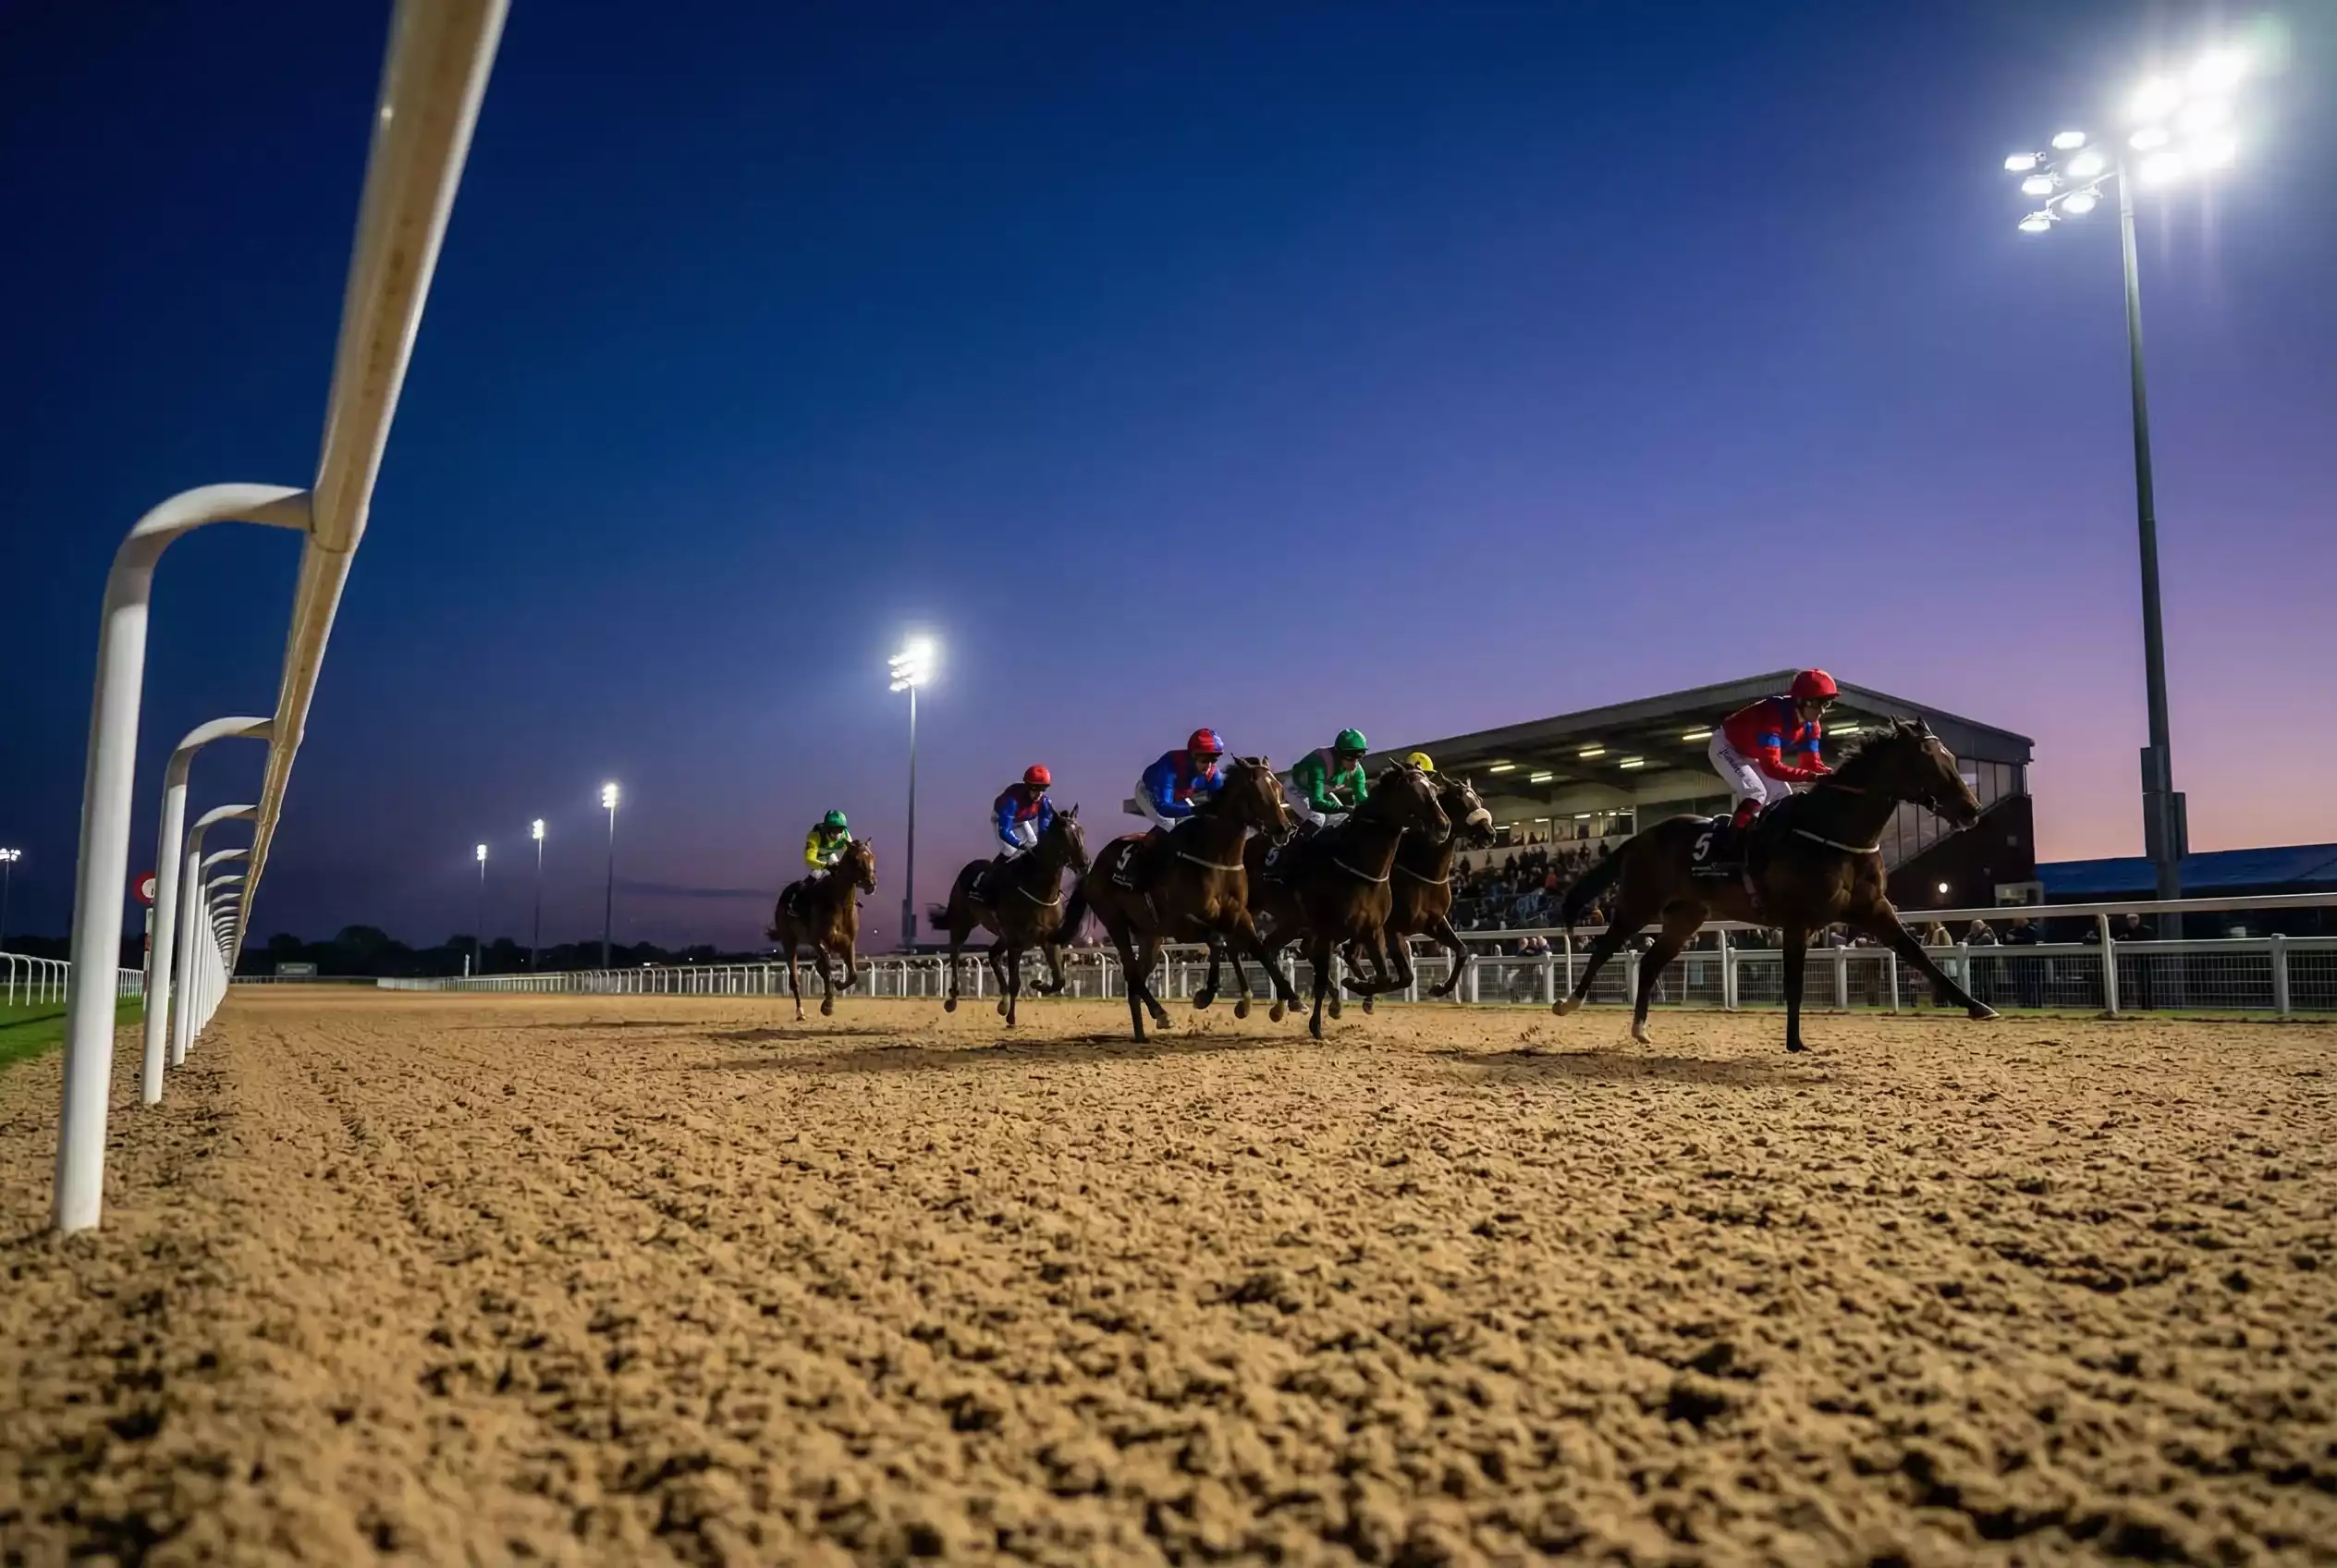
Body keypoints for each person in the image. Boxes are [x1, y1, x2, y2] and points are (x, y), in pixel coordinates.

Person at [1711, 669, 1838, 830]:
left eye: (1826, 704)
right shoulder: (1773, 716)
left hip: (1750, 754)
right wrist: (1812, 777)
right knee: (1755, 792)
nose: (1822, 711)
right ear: (1800, 700)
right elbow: (1771, 767)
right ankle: (1729, 843)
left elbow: (1811, 764)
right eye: (1817, 704)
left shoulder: (1811, 726)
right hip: (1725, 746)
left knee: (1784, 795)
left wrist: (1834, 776)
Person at [1117, 729, 1230, 888]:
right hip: (1151, 795)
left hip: (1180, 795)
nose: (1209, 766)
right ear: (1193, 756)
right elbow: (1164, 808)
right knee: (1173, 827)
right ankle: (1132, 867)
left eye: (1213, 761)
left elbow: (1219, 804)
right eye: (1204, 760)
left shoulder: (1213, 776)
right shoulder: (1169, 767)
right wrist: (1195, 810)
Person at [972, 766, 1055, 903]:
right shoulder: (1012, 801)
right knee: (1010, 849)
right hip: (1002, 819)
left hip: (1021, 820)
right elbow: (1005, 831)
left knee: (1034, 843)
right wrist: (1018, 843)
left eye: (1043, 789)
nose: (1039, 793)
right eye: (1035, 788)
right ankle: (982, 881)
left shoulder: (1043, 802)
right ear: (1028, 786)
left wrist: (1045, 839)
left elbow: (1044, 824)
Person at [1289, 729, 1371, 830]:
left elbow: (1362, 800)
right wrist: (1343, 808)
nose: (1354, 764)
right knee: (1318, 818)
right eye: (1349, 757)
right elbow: (1316, 803)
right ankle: (1295, 845)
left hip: (1320, 791)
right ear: (1338, 754)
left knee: (1342, 818)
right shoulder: (1319, 764)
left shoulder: (1357, 772)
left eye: (1359, 757)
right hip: (1296, 789)